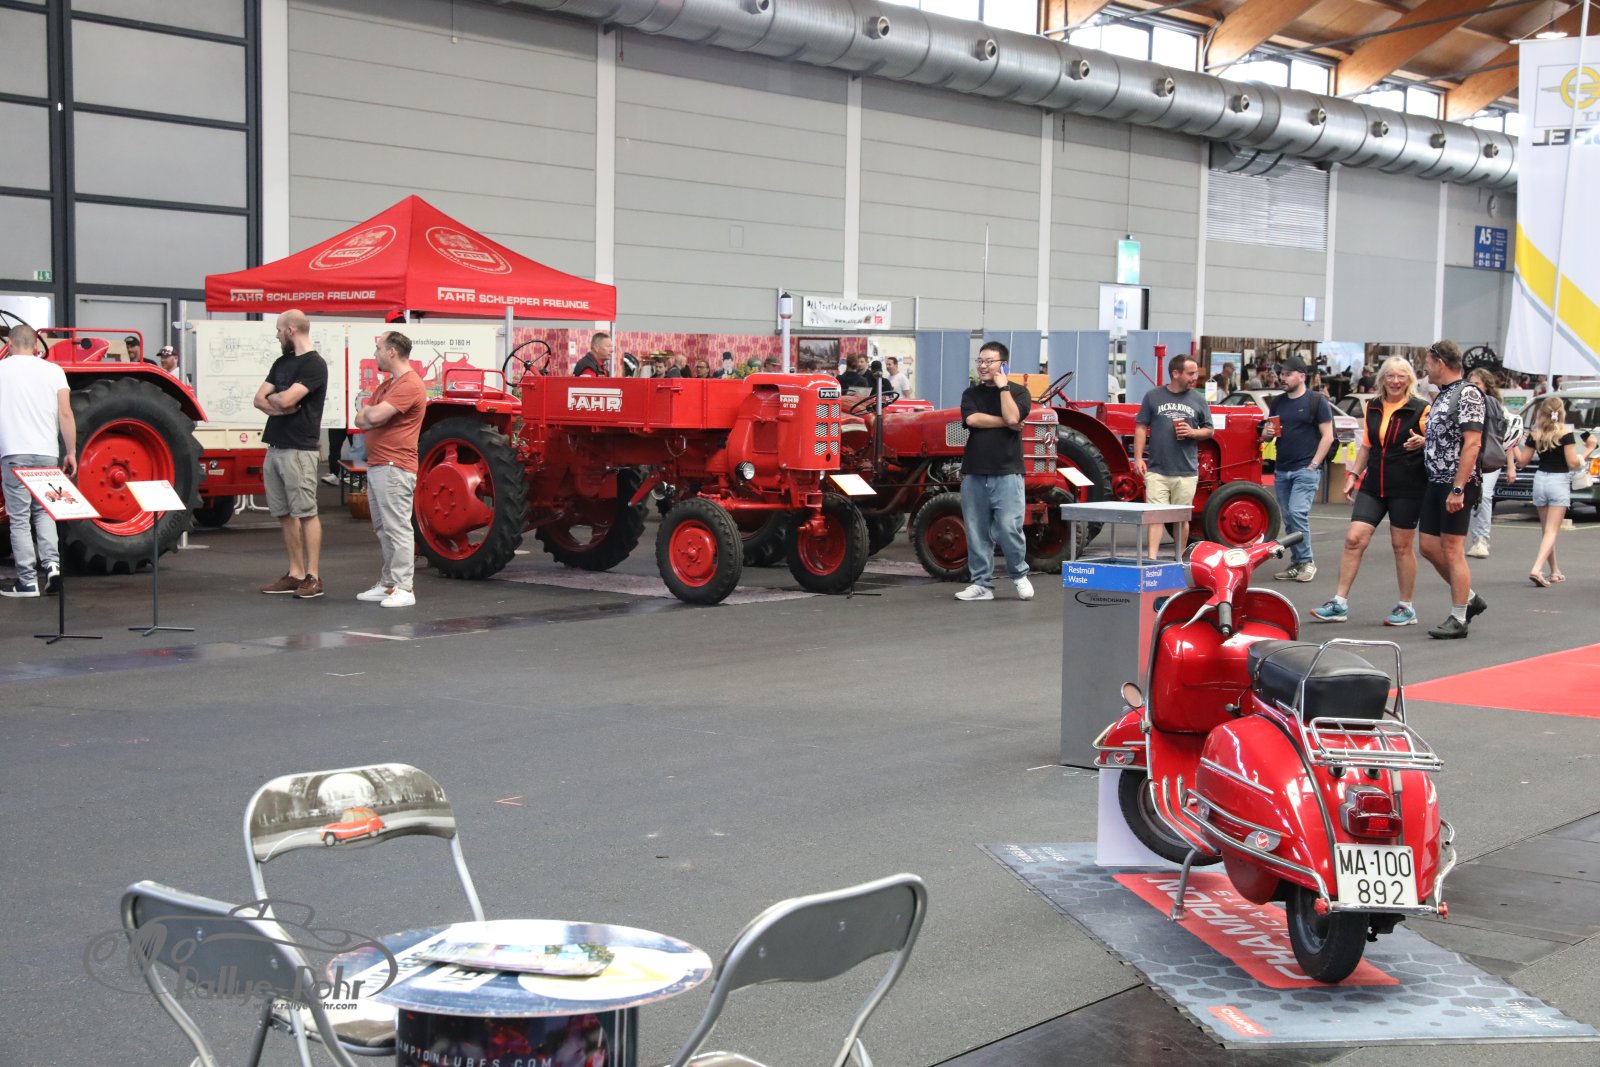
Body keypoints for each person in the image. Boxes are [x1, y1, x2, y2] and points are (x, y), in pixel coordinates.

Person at [1309, 357, 1429, 626]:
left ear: (1409, 379)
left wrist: (1424, 440)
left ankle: (1406, 607)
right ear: (1382, 379)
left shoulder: (1421, 408)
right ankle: (1339, 603)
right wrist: (1353, 475)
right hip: (1374, 484)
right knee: (1354, 538)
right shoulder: (1372, 406)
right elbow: (1367, 446)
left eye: (1401, 376)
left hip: (1407, 485)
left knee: (1401, 546)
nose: (1395, 381)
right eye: (1390, 376)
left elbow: (1436, 441)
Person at [253, 308, 329, 599]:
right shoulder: (281, 362)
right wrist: (280, 405)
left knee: (306, 512)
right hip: (275, 446)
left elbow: (285, 399)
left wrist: (279, 402)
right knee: (284, 514)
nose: (276, 335)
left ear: (291, 330)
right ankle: (295, 573)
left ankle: (313, 576)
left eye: (278, 329)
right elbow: (259, 399)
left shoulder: (314, 365)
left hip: (299, 448)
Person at [1417, 339, 1487, 639]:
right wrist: (1425, 443)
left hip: (1456, 482)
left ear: (1441, 363)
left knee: (1452, 549)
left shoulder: (1468, 393)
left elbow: (1472, 443)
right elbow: (1449, 436)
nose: (1426, 370)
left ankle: (1459, 617)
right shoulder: (1444, 395)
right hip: (1436, 480)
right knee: (1428, 546)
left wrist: (1458, 488)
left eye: (1428, 364)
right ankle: (1469, 598)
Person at [0, 324, 75, 598]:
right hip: (46, 453)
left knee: (19, 518)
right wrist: (71, 451)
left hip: (13, 452)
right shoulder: (54, 371)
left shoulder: (2, 369)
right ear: (35, 345)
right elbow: (65, 413)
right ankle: (52, 567)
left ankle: (27, 582)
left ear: (9, 343)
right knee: (44, 512)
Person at [352, 331, 426, 608]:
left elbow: (373, 415)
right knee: (384, 528)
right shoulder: (388, 385)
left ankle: (404, 588)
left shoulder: (409, 384)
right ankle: (389, 584)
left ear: (392, 351)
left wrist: (369, 414)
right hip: (380, 464)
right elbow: (362, 418)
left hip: (395, 466)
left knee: (397, 528)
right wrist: (368, 415)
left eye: (378, 348)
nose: (375, 354)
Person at [955, 341, 1033, 602]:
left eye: (989, 361)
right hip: (975, 471)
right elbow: (973, 419)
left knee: (1009, 527)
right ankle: (981, 584)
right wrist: (1007, 423)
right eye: (980, 361)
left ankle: (1019, 574)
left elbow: (1013, 417)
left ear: (1003, 365)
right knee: (976, 531)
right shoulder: (971, 394)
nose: (982, 366)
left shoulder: (1019, 393)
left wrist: (1003, 388)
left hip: (1008, 471)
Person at [1132, 354, 1214, 560]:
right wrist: (1138, 458)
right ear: (1176, 373)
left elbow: (1209, 430)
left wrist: (1193, 432)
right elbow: (1141, 427)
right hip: (1157, 470)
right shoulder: (1153, 396)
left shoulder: (1199, 399)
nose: (1195, 377)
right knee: (1155, 516)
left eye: (1195, 373)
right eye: (1191, 373)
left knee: (1181, 518)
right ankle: (1151, 560)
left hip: (1186, 471)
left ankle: (1179, 559)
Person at [1262, 357, 1333, 581]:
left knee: (1296, 513)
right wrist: (1266, 433)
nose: (1282, 378)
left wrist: (1314, 464)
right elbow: (1267, 433)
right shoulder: (1278, 402)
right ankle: (1297, 562)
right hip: (1282, 469)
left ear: (1302, 376)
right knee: (1289, 517)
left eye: (1287, 374)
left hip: (1305, 469)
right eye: (1281, 374)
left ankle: (1307, 561)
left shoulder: (1316, 401)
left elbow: (1328, 436)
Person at [1515, 396, 1579, 587]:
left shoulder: (1535, 434)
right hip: (1559, 481)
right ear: (1562, 412)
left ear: (1541, 413)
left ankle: (1555, 571)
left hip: (1540, 479)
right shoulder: (1566, 434)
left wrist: (1512, 445)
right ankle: (1536, 568)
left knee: (1547, 531)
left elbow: (1522, 462)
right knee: (1552, 531)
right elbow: (1573, 462)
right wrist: (1589, 450)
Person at [1465, 368, 1515, 559]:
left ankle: (1482, 539)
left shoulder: (1496, 407)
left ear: (1486, 386)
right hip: (1470, 456)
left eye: (1477, 383)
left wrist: (1511, 466)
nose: (1473, 387)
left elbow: (1507, 440)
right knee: (1471, 497)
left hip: (1490, 457)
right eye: (1471, 383)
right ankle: (1474, 538)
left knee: (1484, 495)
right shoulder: (1464, 405)